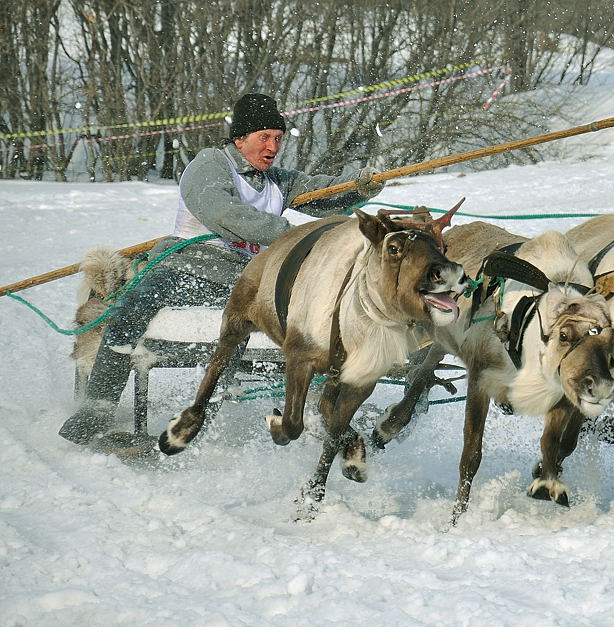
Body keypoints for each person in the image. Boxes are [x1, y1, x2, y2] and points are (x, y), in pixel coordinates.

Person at [59, 92, 384, 452]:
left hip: (244, 277)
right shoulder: (210, 164)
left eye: (277, 138)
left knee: (241, 330)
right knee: (129, 312)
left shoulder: (278, 180)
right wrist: (288, 236)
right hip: (186, 265)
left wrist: (359, 186)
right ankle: (97, 411)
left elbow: (325, 193)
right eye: (264, 137)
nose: (272, 146)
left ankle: (201, 422)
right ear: (239, 139)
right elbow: (225, 213)